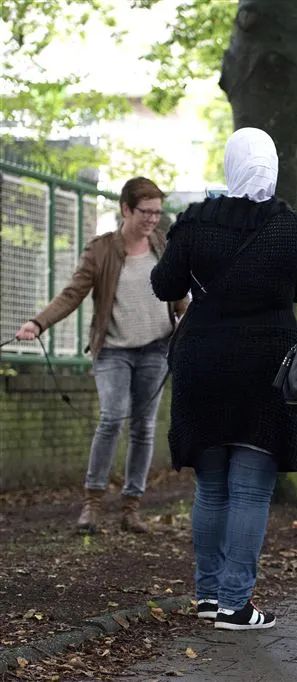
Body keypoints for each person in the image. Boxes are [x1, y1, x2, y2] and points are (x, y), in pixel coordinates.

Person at [150, 128, 297, 631]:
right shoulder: (296, 229)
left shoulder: (196, 222)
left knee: (211, 489)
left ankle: (207, 596)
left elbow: (164, 284)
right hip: (267, 365)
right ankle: (234, 604)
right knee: (249, 492)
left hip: (203, 362)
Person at [14, 177, 186, 535]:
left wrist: (188, 320)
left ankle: (131, 508)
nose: (154, 219)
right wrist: (38, 323)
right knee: (111, 419)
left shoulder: (163, 247)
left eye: (158, 212)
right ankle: (91, 505)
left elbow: (179, 297)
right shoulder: (101, 250)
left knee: (143, 427)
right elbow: (71, 294)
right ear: (126, 209)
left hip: (156, 348)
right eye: (146, 212)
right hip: (112, 350)